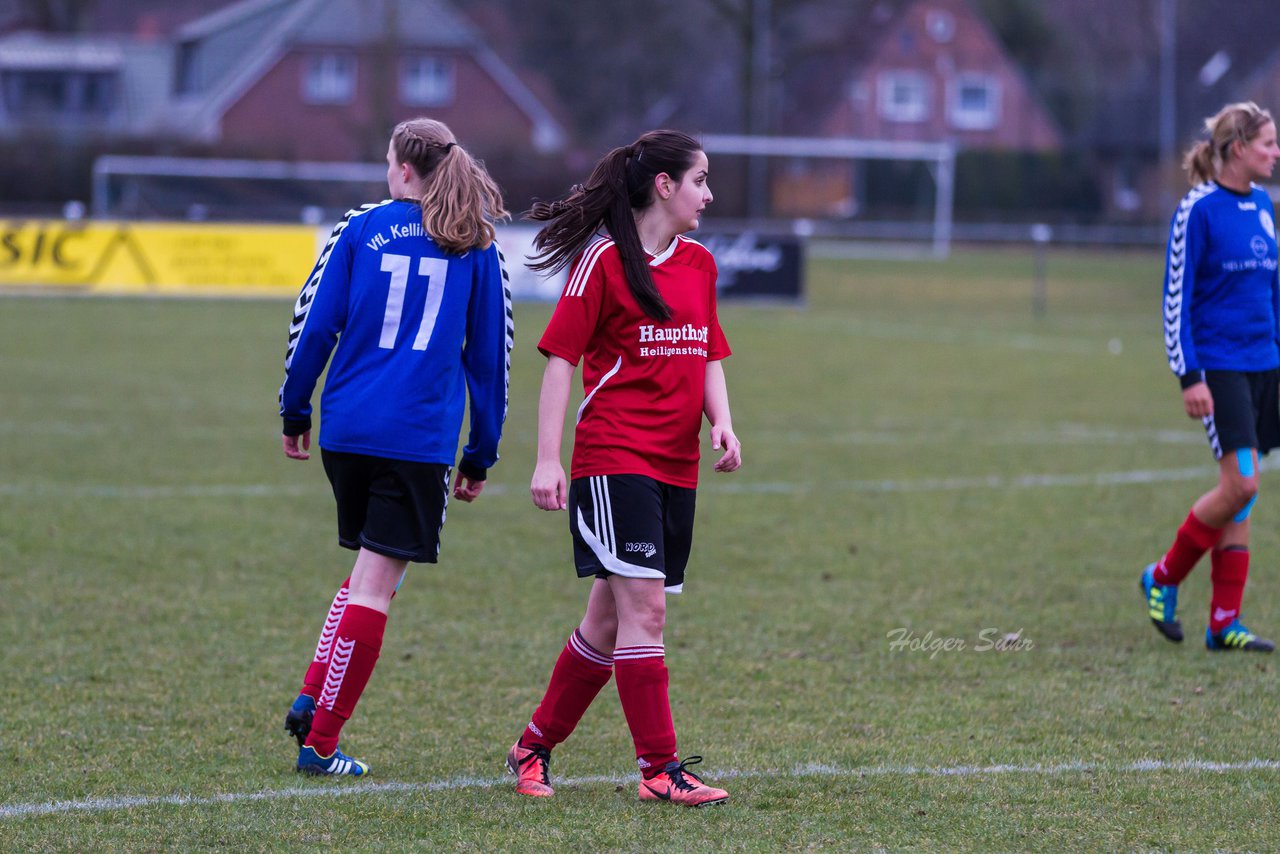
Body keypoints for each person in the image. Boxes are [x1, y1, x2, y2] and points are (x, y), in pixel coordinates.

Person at [504, 129, 741, 808]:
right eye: (700, 180)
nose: (709, 194)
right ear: (663, 185)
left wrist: (721, 421)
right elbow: (559, 361)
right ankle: (660, 768)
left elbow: (708, 353)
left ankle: (533, 745)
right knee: (647, 611)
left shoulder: (699, 262)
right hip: (614, 459)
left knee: (608, 623)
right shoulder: (603, 262)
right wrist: (548, 460)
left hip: (677, 465)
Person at [277, 118, 513, 775]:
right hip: (415, 439)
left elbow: (314, 323)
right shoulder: (476, 244)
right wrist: (481, 452)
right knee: (378, 586)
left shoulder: (361, 227)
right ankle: (322, 744)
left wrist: (295, 407)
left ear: (403, 168)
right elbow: (490, 360)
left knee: (364, 576)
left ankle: (311, 693)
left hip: (346, 429)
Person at [1142, 101, 1280, 653]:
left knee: (1243, 497)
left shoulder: (1265, 204)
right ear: (1238, 147)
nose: (1276, 153)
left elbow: (1271, 290)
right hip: (1220, 368)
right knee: (1241, 484)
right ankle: (1164, 576)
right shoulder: (1196, 210)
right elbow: (1174, 302)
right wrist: (1189, 376)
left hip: (1265, 363)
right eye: (1268, 143)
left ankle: (1224, 623)